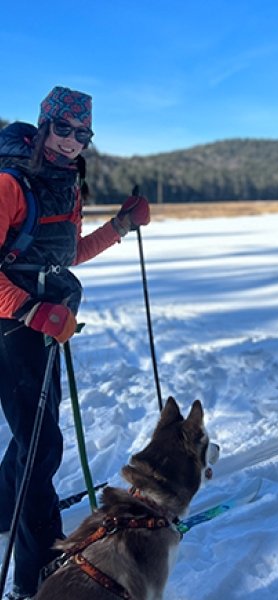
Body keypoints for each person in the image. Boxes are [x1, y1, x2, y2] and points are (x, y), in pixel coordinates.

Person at [0, 86, 150, 600]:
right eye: (62, 130)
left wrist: (120, 226)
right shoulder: (9, 183)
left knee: (32, 433)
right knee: (42, 446)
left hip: (45, 322)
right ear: (44, 125)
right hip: (13, 324)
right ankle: (34, 575)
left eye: (81, 135)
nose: (70, 143)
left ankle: (6, 511)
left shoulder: (65, 182)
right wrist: (32, 310)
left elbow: (65, 254)